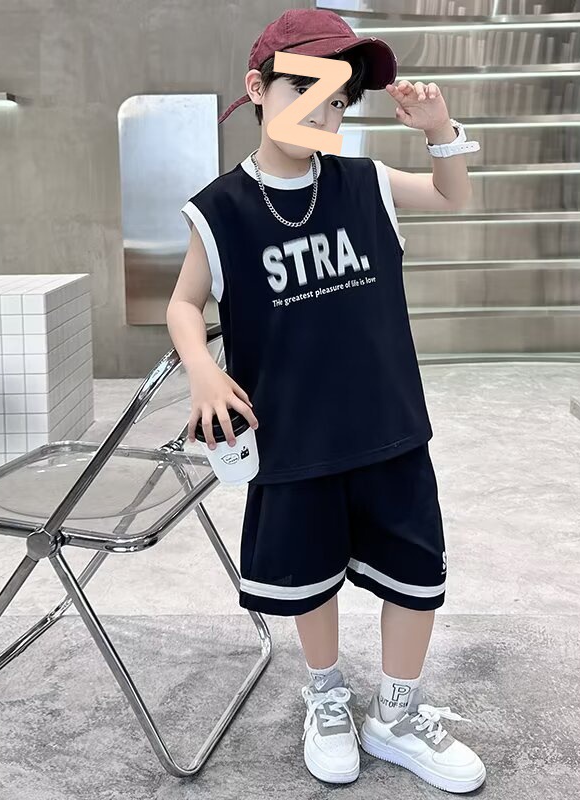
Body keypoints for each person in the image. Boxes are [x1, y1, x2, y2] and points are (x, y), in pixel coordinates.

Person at [166, 7, 485, 793]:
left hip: (388, 426)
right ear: (258, 88)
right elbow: (184, 303)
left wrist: (440, 131)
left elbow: (451, 198)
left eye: (338, 99)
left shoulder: (365, 181)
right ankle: (328, 694)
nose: (323, 113)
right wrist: (200, 366)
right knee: (310, 577)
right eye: (304, 90)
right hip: (295, 436)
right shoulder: (220, 210)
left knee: (416, 572)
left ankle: (397, 714)